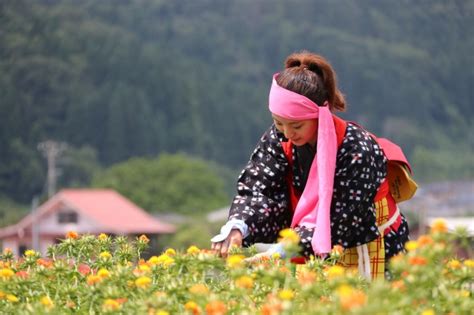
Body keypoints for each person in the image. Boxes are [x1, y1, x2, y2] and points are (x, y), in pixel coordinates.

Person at [211, 51, 413, 279]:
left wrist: (285, 249)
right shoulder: (279, 138)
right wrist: (239, 227)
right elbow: (259, 191)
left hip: (371, 242)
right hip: (309, 243)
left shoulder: (357, 147)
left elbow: (343, 217)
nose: (287, 133)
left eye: (296, 126)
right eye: (279, 123)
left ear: (318, 115)